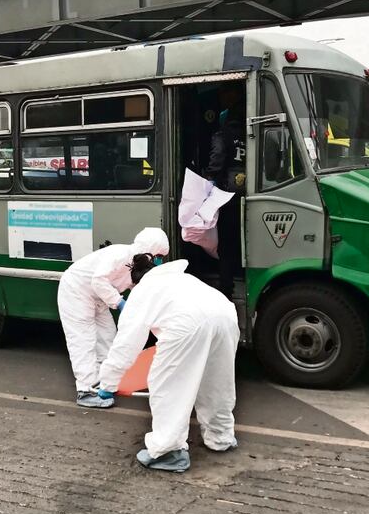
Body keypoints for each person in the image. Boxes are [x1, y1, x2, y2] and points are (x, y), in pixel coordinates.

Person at [96, 255, 239, 473]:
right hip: (225, 316)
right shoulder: (182, 278)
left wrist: (108, 382)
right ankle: (221, 437)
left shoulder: (143, 291)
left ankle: (168, 451)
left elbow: (126, 344)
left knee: (169, 388)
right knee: (216, 382)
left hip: (186, 325)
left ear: (135, 281)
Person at [57, 227, 170, 409]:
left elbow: (138, 292)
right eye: (158, 256)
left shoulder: (138, 264)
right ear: (150, 249)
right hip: (76, 291)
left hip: (99, 297)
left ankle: (104, 382)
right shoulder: (120, 254)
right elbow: (98, 280)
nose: (158, 261)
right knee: (83, 339)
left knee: (108, 336)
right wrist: (120, 302)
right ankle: (86, 390)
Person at [203, 88, 246, 299]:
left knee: (226, 244)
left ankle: (226, 289)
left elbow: (217, 158)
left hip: (226, 195)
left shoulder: (223, 132)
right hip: (249, 194)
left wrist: (209, 178)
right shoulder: (250, 131)